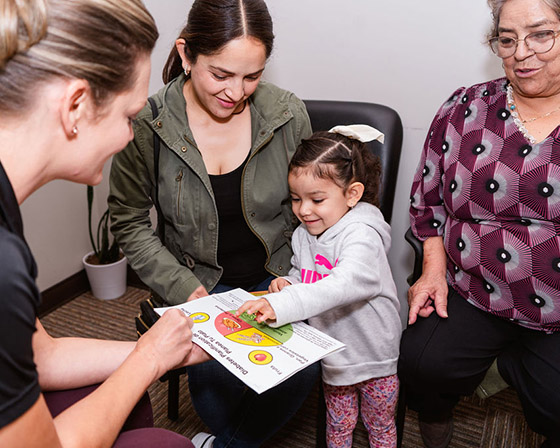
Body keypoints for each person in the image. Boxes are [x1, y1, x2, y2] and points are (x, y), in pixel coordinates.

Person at [108, 0, 319, 446]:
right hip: (200, 283)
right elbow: (128, 221)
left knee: (301, 371)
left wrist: (299, 281)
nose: (237, 91)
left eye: (252, 76)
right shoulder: (149, 125)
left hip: (277, 276)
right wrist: (185, 289)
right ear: (186, 55)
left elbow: (312, 206)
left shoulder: (286, 114)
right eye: (220, 75)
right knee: (219, 392)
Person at [0, 0, 209, 446]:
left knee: (125, 401)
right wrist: (148, 360)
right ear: (75, 106)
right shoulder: (2, 266)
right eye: (129, 117)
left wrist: (168, 353)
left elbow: (43, 357)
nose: (130, 137)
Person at [398, 0, 560, 447]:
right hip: (473, 288)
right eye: (507, 39)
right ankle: (437, 430)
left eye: (541, 34)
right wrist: (432, 270)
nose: (521, 52)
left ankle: (520, 369)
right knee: (422, 364)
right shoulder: (466, 107)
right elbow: (427, 204)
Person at [237, 126, 402, 448]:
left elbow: (347, 282)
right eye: (296, 199)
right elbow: (307, 275)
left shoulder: (363, 234)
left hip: (374, 357)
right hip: (334, 353)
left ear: (352, 194)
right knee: (338, 426)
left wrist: (286, 305)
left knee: (379, 428)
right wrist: (289, 284)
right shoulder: (304, 233)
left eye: (317, 199)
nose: (303, 210)